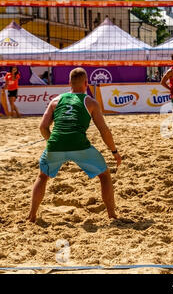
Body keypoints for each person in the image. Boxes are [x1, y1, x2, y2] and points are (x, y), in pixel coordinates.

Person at [27, 68, 121, 222]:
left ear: (69, 83)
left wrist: (53, 142)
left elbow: (42, 127)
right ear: (86, 83)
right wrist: (114, 152)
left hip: (55, 144)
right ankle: (112, 215)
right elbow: (104, 131)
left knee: (42, 176)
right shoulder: (90, 102)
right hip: (80, 146)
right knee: (104, 175)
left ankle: (31, 216)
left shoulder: (55, 101)